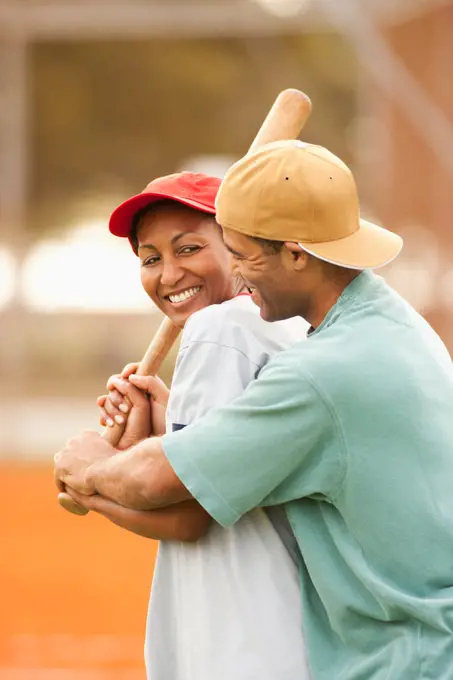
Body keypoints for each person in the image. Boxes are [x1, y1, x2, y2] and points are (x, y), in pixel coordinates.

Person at [55, 141, 453, 680]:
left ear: (295, 253)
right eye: (151, 258)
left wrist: (89, 466)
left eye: (240, 255)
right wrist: (172, 425)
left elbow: (168, 486)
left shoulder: (317, 368)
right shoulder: (385, 326)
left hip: (402, 659)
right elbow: (266, 444)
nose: (239, 276)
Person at [64, 170, 311, 680]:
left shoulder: (221, 327)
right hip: (279, 640)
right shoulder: (273, 326)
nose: (169, 274)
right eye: (151, 259)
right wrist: (157, 438)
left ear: (238, 248)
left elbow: (190, 516)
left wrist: (90, 474)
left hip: (245, 645)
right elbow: (219, 477)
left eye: (189, 248)